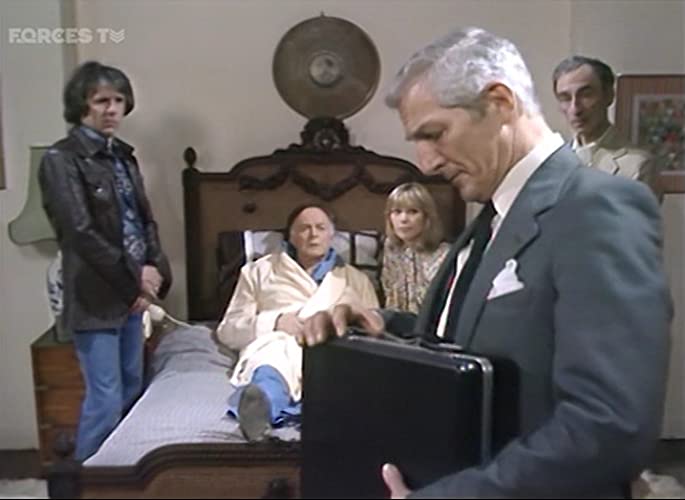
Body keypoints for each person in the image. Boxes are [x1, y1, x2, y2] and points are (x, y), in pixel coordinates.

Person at [301, 27, 672, 497]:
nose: (426, 162)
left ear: (499, 103)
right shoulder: (493, 215)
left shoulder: (598, 207)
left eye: (434, 134)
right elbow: (475, 336)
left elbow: (609, 428)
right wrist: (380, 329)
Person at [39, 61, 172, 461]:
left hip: (132, 294)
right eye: (101, 101)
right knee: (106, 398)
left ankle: (122, 480)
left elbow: (144, 220)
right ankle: (85, 481)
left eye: (117, 100)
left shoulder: (124, 157)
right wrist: (133, 279)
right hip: (96, 296)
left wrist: (155, 273)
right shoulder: (62, 159)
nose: (111, 109)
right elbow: (80, 232)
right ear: (82, 105)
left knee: (132, 389)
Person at [216, 204, 378, 441]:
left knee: (344, 375)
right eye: (304, 228)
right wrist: (275, 322)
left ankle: (336, 417)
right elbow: (229, 330)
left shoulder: (356, 280)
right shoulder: (258, 271)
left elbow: (372, 327)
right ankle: (260, 408)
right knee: (272, 363)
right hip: (277, 345)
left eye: (320, 228)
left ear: (331, 235)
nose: (313, 235)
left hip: (329, 346)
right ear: (291, 236)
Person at [553, 55, 662, 199]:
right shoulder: (552, 165)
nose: (575, 109)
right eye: (565, 98)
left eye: (586, 95)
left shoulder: (638, 165)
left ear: (609, 96)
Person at [381, 182, 450, 313]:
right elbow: (390, 296)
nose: (403, 219)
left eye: (413, 212)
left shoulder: (444, 254)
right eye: (397, 212)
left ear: (426, 217)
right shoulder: (391, 247)